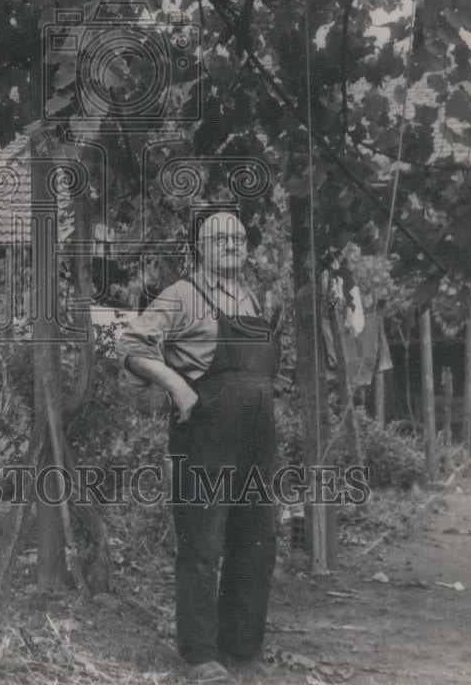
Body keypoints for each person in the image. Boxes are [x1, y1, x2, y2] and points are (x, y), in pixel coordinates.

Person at [117, 211, 280, 685]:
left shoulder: (253, 298)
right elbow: (130, 345)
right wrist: (176, 385)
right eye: (219, 238)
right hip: (205, 434)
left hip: (256, 439)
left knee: (256, 539)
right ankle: (202, 653)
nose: (231, 244)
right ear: (199, 249)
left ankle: (243, 648)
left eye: (239, 237)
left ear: (247, 248)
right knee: (203, 541)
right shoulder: (182, 295)